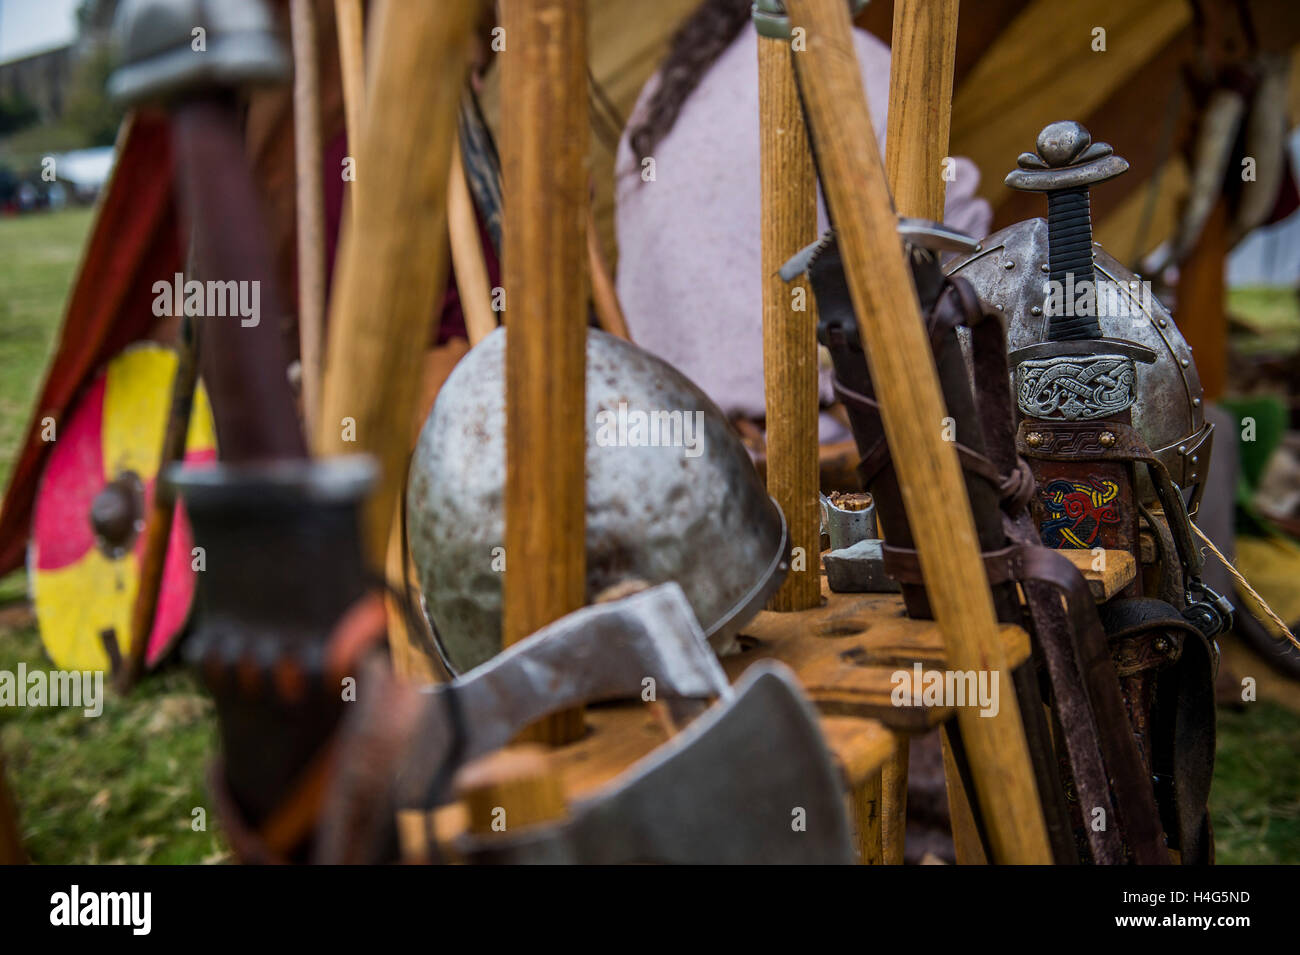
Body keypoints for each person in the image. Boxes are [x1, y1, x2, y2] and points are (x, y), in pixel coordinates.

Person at [614, 0, 991, 440]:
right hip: (804, 437)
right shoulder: (839, 58)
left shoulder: (664, 91)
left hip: (681, 439)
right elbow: (954, 229)